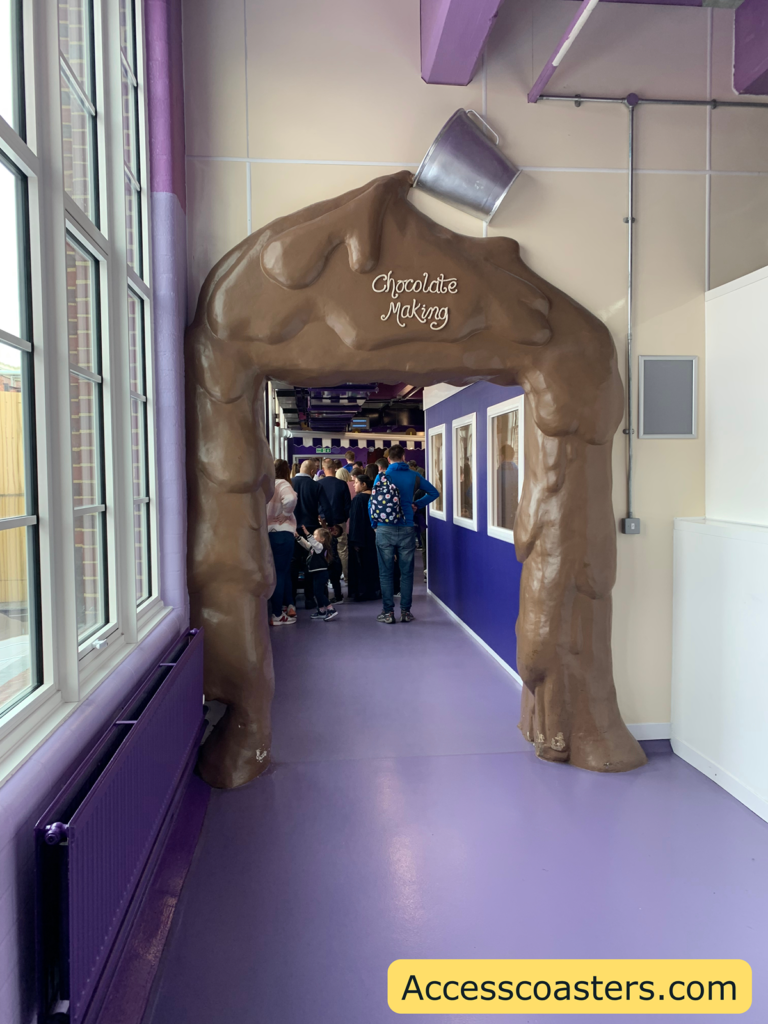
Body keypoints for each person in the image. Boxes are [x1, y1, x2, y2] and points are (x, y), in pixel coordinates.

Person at [371, 444, 439, 624]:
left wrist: (374, 524)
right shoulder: (414, 475)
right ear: (404, 457)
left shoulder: (382, 476)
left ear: (388, 459)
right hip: (407, 526)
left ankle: (388, 612)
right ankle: (406, 612)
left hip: (385, 528)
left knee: (385, 573)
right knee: (406, 572)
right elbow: (434, 492)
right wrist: (417, 504)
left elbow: (373, 503)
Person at [266, 459, 298, 625]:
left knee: (276, 573)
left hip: (267, 534)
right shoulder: (283, 484)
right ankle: (278, 614)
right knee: (281, 573)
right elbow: (291, 499)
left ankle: (285, 607)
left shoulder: (266, 486)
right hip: (282, 533)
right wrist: (286, 513)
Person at [291, 459, 320, 608]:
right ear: (312, 471)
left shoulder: (289, 483)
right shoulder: (316, 486)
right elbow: (324, 508)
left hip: (293, 529)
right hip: (312, 530)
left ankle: (292, 600)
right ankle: (310, 598)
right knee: (310, 565)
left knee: (294, 564)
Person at [295, 527, 338, 621]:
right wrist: (298, 537)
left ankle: (330, 609)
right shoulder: (314, 548)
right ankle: (321, 610)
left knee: (319, 593)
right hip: (316, 573)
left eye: (315, 535)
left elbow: (313, 543)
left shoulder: (320, 547)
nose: (313, 537)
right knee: (316, 592)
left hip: (321, 573)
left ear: (322, 539)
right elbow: (306, 544)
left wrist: (307, 533)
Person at [348, 474, 380, 601]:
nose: (354, 485)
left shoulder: (359, 499)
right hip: (374, 536)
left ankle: (362, 591)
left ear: (364, 484)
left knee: (361, 566)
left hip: (361, 538)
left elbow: (356, 521)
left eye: (356, 482)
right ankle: (374, 590)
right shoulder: (375, 497)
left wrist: (355, 541)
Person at [335, 467, 356, 581]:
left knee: (339, 549)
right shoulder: (353, 486)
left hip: (340, 521)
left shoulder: (338, 487)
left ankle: (338, 575)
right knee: (346, 550)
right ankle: (348, 575)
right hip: (351, 521)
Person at [497, 443, 519, 530]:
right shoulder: (519, 472)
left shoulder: (497, 473)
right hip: (516, 513)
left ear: (501, 456)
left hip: (502, 515)